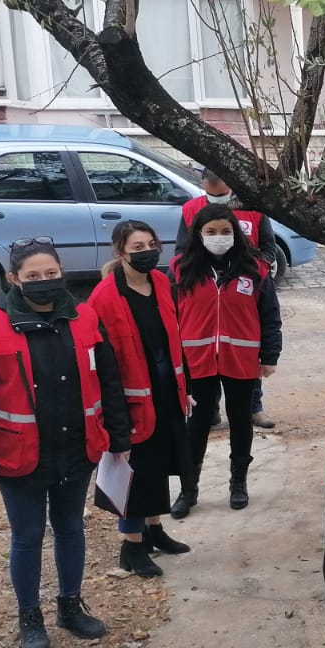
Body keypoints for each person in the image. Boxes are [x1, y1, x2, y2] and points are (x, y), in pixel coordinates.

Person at [0, 237, 134, 648]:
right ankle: (30, 617)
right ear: (13, 279)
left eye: (51, 274)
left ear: (62, 273)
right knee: (27, 536)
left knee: (71, 528)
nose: (43, 281)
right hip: (18, 455)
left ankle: (70, 607)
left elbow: (109, 381)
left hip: (77, 448)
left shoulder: (85, 317)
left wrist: (119, 436)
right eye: (33, 276)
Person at [88, 220, 193, 577]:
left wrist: (186, 388)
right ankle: (131, 545)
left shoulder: (162, 283)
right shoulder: (104, 297)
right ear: (120, 253)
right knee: (135, 472)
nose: (147, 252)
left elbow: (174, 339)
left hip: (166, 390)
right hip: (131, 400)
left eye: (151, 244)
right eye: (137, 247)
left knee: (159, 464)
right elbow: (102, 361)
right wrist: (112, 413)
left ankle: (154, 530)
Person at [170, 205, 281, 516]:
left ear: (236, 233)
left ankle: (238, 484)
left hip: (241, 360)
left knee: (241, 421)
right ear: (198, 234)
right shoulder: (181, 269)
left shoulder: (255, 268)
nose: (218, 237)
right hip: (197, 360)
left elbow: (270, 315)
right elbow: (170, 316)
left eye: (225, 231)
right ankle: (188, 490)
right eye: (211, 232)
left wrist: (270, 355)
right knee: (198, 424)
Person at [176, 167, 280, 430]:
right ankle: (208, 412)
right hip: (206, 286)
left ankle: (253, 408)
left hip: (244, 287)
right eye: (210, 183)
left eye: (220, 182)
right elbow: (181, 249)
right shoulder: (191, 209)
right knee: (208, 359)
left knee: (246, 353)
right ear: (203, 183)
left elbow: (269, 248)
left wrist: (255, 270)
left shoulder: (253, 208)